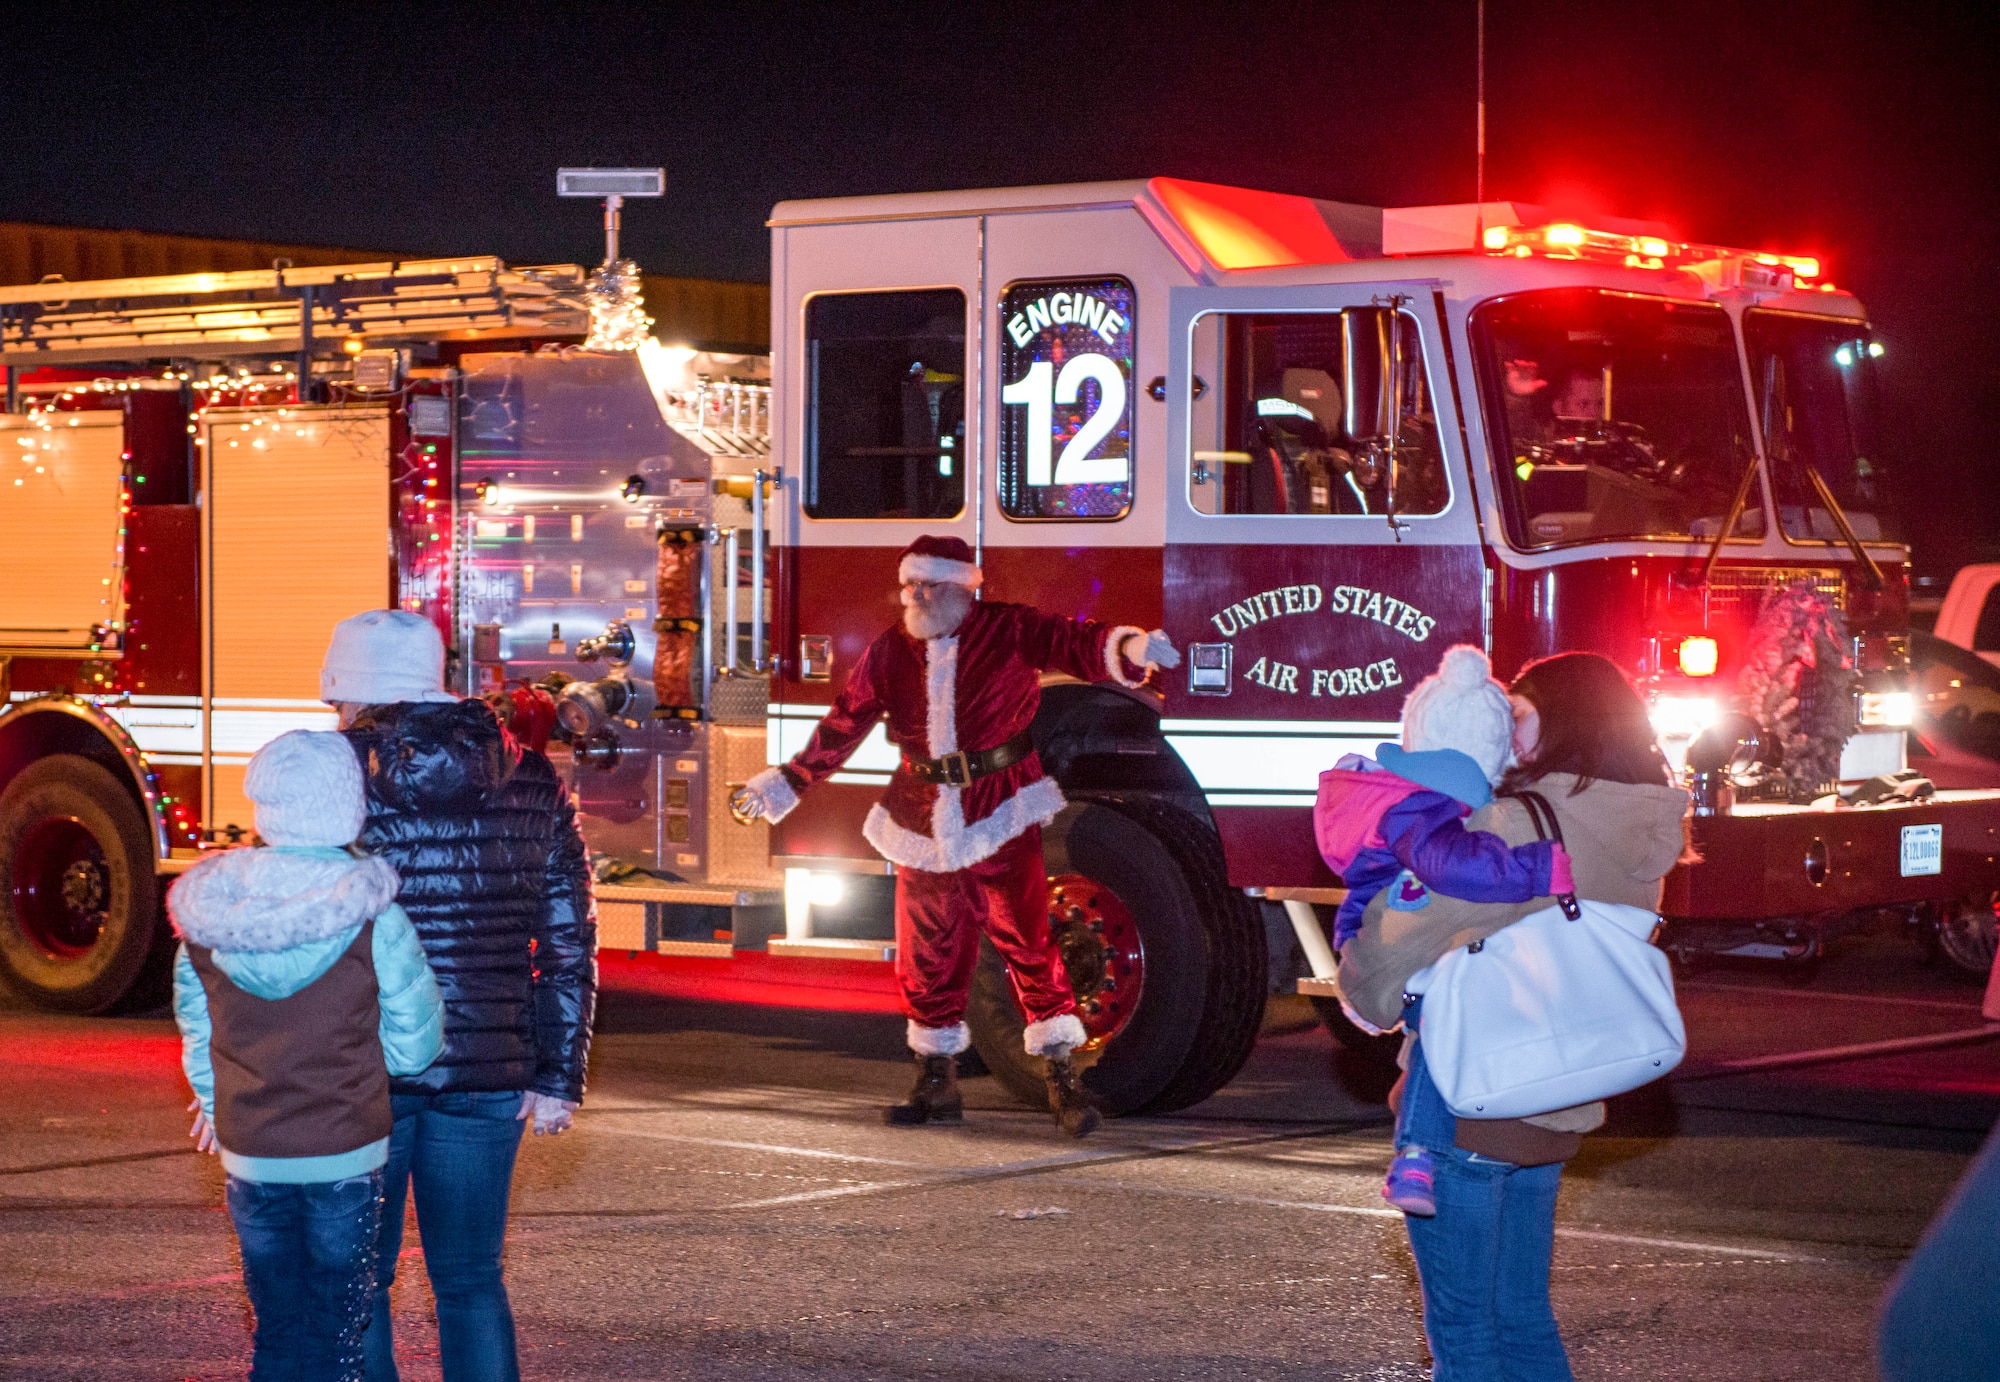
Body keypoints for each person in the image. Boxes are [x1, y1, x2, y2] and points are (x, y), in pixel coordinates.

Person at [730, 534, 1179, 1136]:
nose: (915, 596)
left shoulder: (1009, 628)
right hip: (919, 815)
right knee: (928, 952)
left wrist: (1126, 645)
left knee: (1027, 940)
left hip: (998, 808)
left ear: (963, 586)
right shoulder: (892, 649)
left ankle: (1062, 1079)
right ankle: (935, 1079)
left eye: (929, 585)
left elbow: (1073, 641)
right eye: (910, 585)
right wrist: (789, 780)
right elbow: (845, 719)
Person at [1336, 651, 1690, 1380]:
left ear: (1561, 721)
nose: (1505, 730)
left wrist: (1360, 961)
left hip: (1472, 1104)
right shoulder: (1649, 829)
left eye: (1518, 713)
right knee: (1523, 1321)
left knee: (1466, 1334)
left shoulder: (1513, 823)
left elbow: (1396, 948)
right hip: (1557, 1103)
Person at [321, 609, 598, 1382]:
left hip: (362, 1067)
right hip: (492, 1069)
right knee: (472, 1283)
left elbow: (302, 929)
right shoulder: (533, 776)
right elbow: (568, 937)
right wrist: (556, 1073)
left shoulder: (335, 774)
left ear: (353, 692)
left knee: (360, 1285)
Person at [171, 729, 444, 1381]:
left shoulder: (208, 919)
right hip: (344, 1149)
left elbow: (199, 1035)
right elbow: (414, 1046)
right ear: (348, 808)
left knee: (278, 1330)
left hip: (252, 1152)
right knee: (336, 1335)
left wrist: (221, 1105)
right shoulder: (376, 915)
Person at [1313, 645, 1572, 1216]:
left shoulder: (1411, 792)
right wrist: (1535, 867)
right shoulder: (1416, 805)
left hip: (1400, 934)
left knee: (1440, 1027)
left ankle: (1416, 1133)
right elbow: (1449, 863)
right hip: (1383, 946)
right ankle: (1415, 1153)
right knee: (1439, 1015)